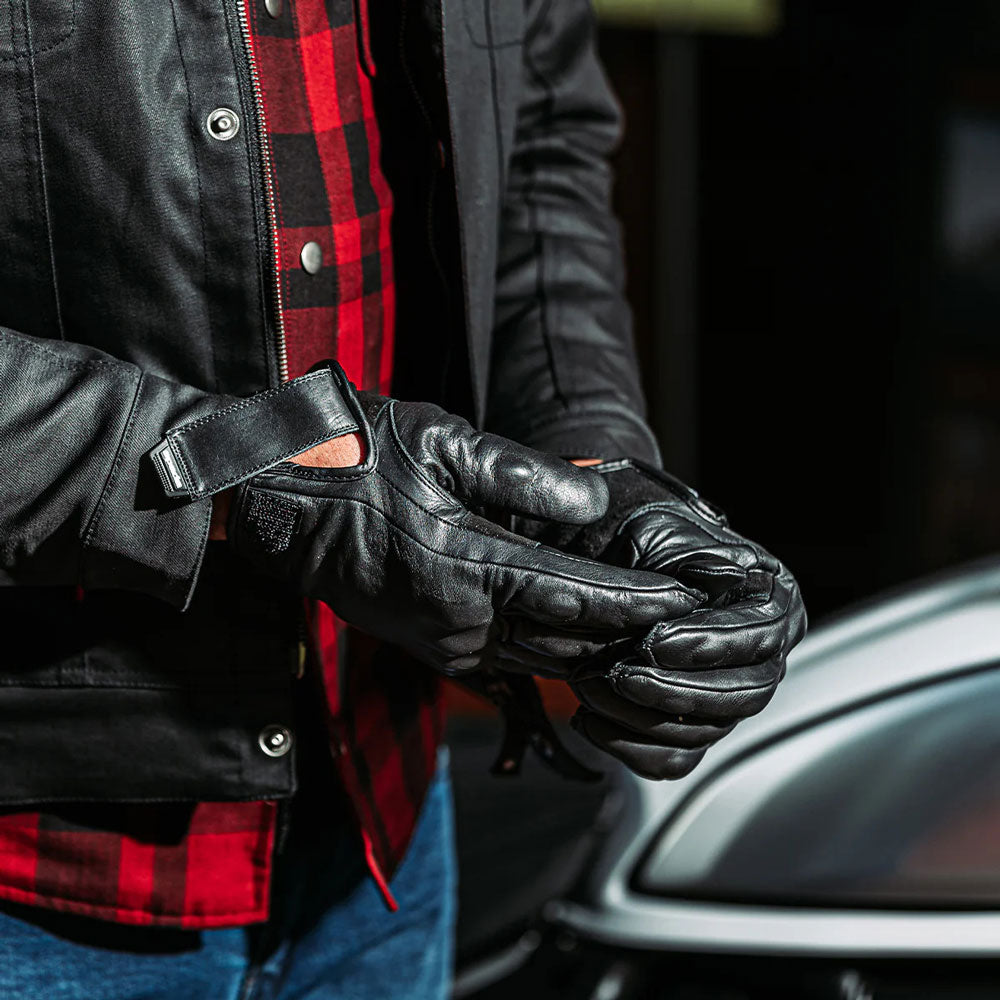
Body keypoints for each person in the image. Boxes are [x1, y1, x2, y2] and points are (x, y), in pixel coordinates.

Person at [0, 0, 805, 996]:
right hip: (35, 867)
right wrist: (246, 478)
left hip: (382, 817)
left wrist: (593, 474)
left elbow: (537, 143)